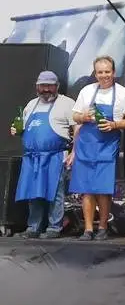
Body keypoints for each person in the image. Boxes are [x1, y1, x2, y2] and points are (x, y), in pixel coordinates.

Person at [71, 55, 125, 241]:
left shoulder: (124, 94)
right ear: (95, 73)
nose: (104, 75)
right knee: (87, 189)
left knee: (103, 189)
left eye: (107, 72)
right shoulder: (86, 91)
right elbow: (75, 116)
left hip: (107, 145)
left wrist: (114, 125)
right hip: (86, 144)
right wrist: (83, 117)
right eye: (100, 72)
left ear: (114, 72)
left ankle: (103, 227)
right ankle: (88, 229)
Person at [11, 71, 76, 239]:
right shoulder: (30, 105)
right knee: (34, 193)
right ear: (37, 87)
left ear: (57, 86)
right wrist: (16, 130)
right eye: (43, 85)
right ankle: (34, 227)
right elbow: (23, 128)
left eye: (50, 85)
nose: (46, 89)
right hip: (32, 157)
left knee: (55, 192)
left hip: (55, 155)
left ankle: (54, 228)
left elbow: (78, 129)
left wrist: (74, 152)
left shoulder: (67, 104)